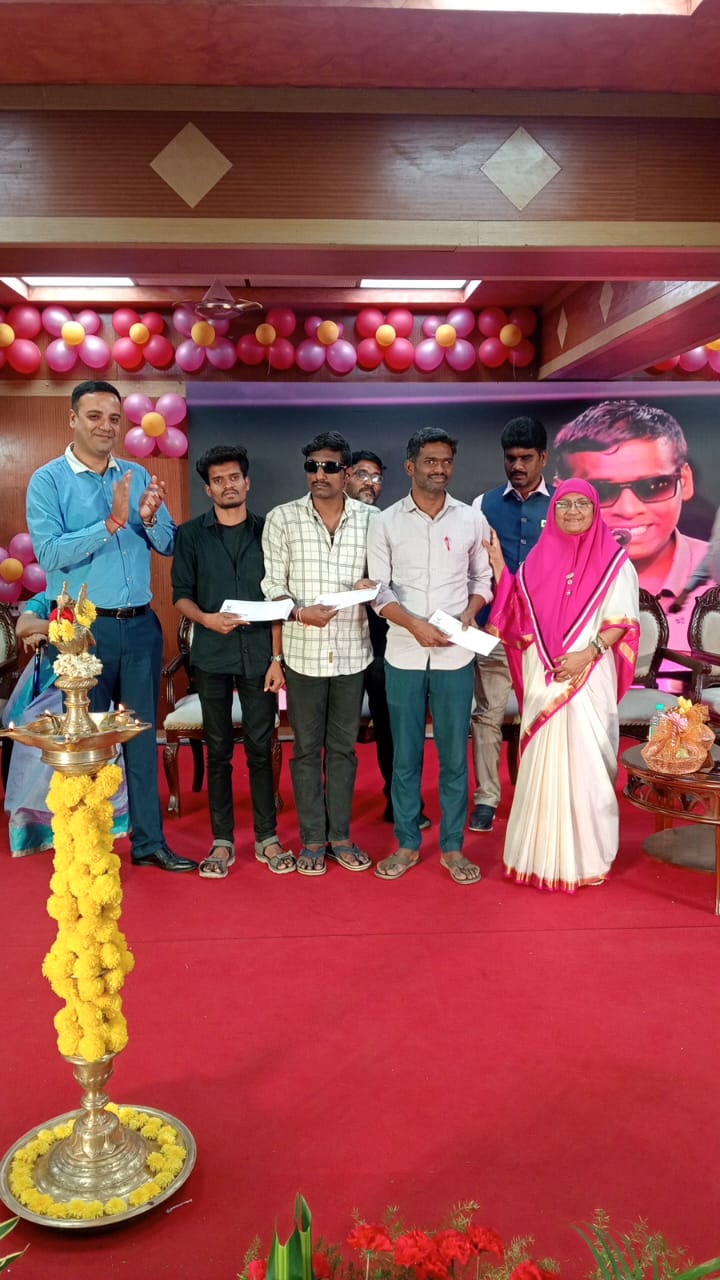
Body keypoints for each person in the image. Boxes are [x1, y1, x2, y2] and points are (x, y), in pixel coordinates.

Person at [26, 379, 197, 873]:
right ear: (72, 419)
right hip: (82, 635)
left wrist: (150, 517)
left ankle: (149, 844)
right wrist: (112, 523)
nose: (106, 426)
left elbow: (167, 544)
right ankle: (89, 852)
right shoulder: (48, 481)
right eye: (95, 416)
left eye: (114, 418)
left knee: (141, 738)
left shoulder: (136, 473)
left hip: (140, 626)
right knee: (86, 745)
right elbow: (49, 554)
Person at [487, 479, 640, 892]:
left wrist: (587, 654)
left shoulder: (616, 563)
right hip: (546, 677)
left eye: (581, 504)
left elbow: (622, 620)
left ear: (595, 510)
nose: (572, 511)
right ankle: (537, 856)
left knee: (588, 764)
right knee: (543, 766)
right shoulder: (536, 560)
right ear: (552, 511)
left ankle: (587, 858)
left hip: (589, 676)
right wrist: (500, 567)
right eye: (563, 504)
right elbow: (518, 611)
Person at [367, 427, 492, 885]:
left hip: (455, 657)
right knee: (405, 757)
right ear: (410, 467)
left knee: (455, 757)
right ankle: (406, 843)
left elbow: (482, 579)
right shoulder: (385, 522)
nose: (439, 469)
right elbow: (378, 591)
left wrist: (470, 613)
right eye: (430, 461)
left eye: (445, 462)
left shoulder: (471, 519)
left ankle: (453, 847)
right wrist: (414, 625)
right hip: (403, 653)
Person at [171, 445, 294, 879]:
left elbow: (279, 599)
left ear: (247, 482)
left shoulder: (269, 531)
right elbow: (181, 595)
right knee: (219, 750)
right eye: (218, 480)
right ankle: (222, 841)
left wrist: (277, 658)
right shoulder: (190, 535)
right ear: (208, 489)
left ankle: (267, 837)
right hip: (212, 656)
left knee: (262, 749)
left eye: (234, 478)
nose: (228, 486)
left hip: (260, 657)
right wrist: (206, 619)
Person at [261, 430, 375, 877]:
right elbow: (272, 585)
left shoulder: (372, 519)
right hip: (302, 653)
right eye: (312, 466)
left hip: (352, 652)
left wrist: (373, 584)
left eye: (329, 466)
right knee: (307, 750)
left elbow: (384, 576)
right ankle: (312, 840)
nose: (319, 474)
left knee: (343, 750)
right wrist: (298, 612)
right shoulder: (282, 518)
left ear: (347, 472)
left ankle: (340, 837)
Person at [554, 399, 710, 649]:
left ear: (685, 481)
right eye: (600, 491)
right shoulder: (546, 577)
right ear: (562, 493)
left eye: (654, 486)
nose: (628, 510)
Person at [469, 415, 552, 833]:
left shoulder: (565, 506)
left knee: (541, 716)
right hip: (494, 632)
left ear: (543, 458)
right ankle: (486, 798)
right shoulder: (481, 505)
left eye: (526, 458)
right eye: (510, 458)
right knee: (487, 715)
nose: (517, 466)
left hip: (545, 639)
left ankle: (536, 794)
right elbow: (473, 569)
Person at [2, 592, 129, 856]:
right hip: (53, 684)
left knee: (103, 727)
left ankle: (97, 814)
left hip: (93, 683)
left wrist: (58, 630)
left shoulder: (99, 597)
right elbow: (23, 626)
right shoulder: (48, 597)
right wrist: (60, 628)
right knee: (36, 730)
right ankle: (40, 824)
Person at [345, 449, 431, 831]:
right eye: (362, 475)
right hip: (342, 642)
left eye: (377, 477)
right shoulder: (332, 523)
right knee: (336, 736)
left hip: (384, 643)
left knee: (393, 731)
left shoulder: (391, 523)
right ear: (346, 476)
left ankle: (400, 805)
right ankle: (333, 815)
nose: (370, 483)